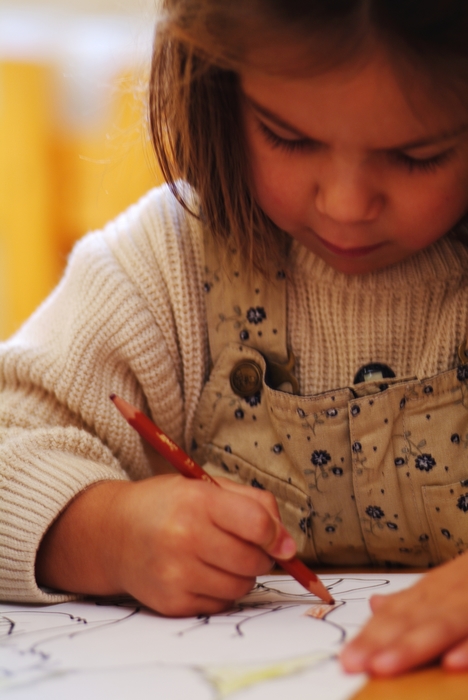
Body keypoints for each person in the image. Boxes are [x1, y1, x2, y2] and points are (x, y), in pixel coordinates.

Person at [2, 0, 468, 678]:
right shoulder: (167, 269)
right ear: (219, 84)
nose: (344, 203)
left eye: (416, 156)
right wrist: (110, 533)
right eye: (290, 137)